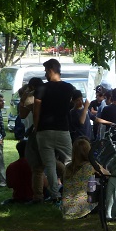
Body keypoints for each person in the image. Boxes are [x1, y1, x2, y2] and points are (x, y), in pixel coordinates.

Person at [34, 59, 75, 202]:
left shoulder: (41, 89)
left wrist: (36, 127)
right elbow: (72, 105)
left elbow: (36, 111)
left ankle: (55, 195)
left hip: (44, 130)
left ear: (51, 70)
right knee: (70, 161)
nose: (45, 74)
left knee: (49, 164)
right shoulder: (69, 88)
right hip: (63, 129)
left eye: (46, 71)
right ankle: (72, 191)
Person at [62, 138, 108, 219]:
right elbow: (108, 175)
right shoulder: (91, 166)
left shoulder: (68, 167)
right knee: (102, 184)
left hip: (66, 209)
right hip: (82, 209)